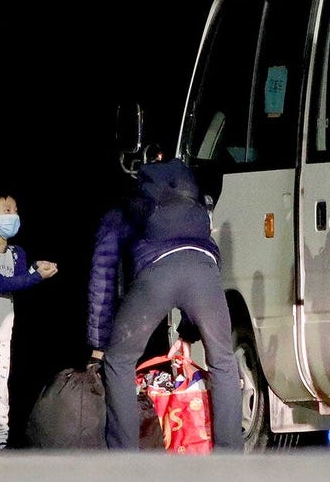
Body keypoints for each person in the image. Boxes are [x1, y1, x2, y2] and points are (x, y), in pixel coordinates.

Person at [87, 143, 243, 451]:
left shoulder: (123, 212)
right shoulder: (193, 210)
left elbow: (102, 276)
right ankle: (231, 459)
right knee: (224, 361)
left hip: (156, 276)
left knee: (119, 360)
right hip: (204, 268)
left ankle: (127, 460)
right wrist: (188, 328)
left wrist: (98, 343)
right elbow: (211, 256)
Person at [0, 192, 58, 452]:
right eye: (7, 210)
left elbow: (17, 282)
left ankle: (0, 439)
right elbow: (1, 282)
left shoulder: (17, 253)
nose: (14, 216)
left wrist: (33, 270)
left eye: (15, 210)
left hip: (4, 333)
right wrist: (36, 276)